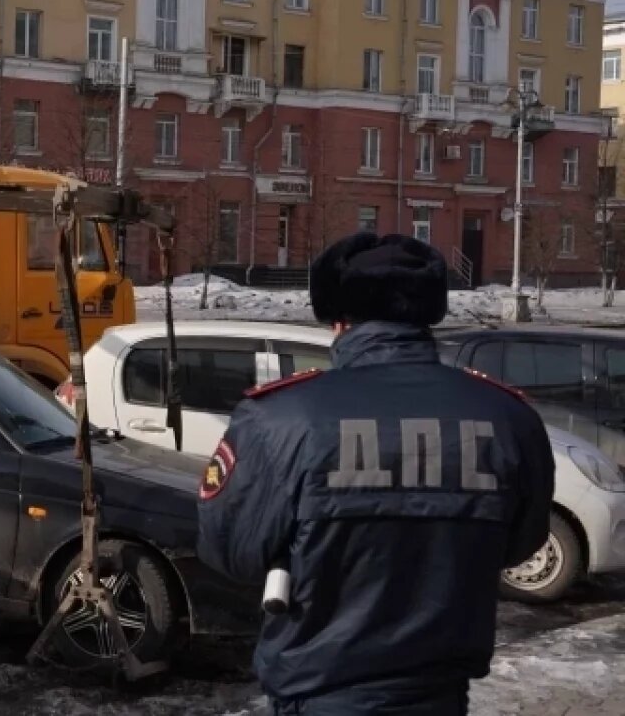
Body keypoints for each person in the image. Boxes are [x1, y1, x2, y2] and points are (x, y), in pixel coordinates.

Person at [196, 232, 554, 716]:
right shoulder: (506, 415)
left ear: (338, 321)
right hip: (439, 694)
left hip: (321, 690)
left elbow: (230, 550)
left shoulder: (280, 417)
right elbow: (523, 541)